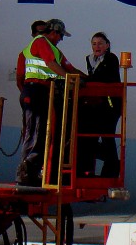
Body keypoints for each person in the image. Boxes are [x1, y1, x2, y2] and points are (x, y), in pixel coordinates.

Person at [16, 19, 86, 186]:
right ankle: (26, 174)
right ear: (54, 32)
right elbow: (51, 64)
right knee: (34, 133)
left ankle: (34, 171)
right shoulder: (41, 42)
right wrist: (68, 78)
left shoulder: (55, 50)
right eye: (61, 35)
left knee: (43, 134)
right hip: (35, 90)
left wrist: (88, 79)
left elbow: (71, 68)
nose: (61, 39)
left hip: (44, 92)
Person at [79, 32, 122, 178]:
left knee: (107, 135)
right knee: (90, 136)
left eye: (100, 43)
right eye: (94, 43)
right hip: (96, 105)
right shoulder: (90, 60)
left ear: (107, 45)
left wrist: (85, 80)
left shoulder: (111, 58)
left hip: (110, 104)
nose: (97, 46)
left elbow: (104, 77)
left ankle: (112, 168)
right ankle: (90, 168)